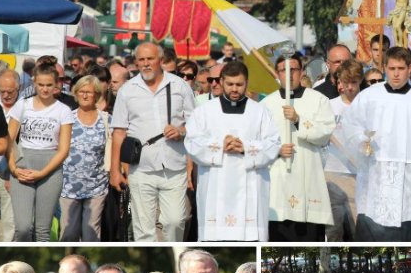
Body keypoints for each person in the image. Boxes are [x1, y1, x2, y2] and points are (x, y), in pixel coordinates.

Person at [343, 46, 411, 241]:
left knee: (410, 226)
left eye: (401, 68)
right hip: (377, 171)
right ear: (384, 68)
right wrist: (362, 140)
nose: (396, 73)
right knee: (375, 222)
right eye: (392, 69)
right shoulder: (369, 95)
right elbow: (351, 125)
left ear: (410, 69)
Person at [185, 60, 280, 241]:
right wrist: (220, 145)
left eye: (239, 84)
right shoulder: (204, 111)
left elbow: (274, 143)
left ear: (247, 83)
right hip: (215, 183)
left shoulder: (260, 112)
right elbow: (192, 142)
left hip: (251, 184)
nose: (234, 89)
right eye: (230, 84)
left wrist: (246, 148)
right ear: (221, 82)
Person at [110, 42, 196, 241]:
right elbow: (119, 132)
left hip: (174, 166)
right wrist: (115, 171)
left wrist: (182, 131)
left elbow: (197, 123)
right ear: (136, 62)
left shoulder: (179, 85)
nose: (146, 64)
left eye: (150, 59)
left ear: (160, 60)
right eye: (141, 60)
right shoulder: (127, 90)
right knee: (144, 229)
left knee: (175, 221)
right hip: (140, 168)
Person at [263, 53, 335, 241]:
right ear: (277, 74)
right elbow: (258, 143)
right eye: (283, 70)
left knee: (311, 238)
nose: (289, 74)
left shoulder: (318, 100)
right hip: (278, 179)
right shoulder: (266, 105)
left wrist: (298, 120)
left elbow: (325, 134)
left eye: (293, 69)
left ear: (301, 72)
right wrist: (276, 151)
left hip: (308, 177)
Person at [6, 59, 73, 241]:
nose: (44, 89)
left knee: (43, 230)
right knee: (23, 227)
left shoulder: (63, 110)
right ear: (34, 83)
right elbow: (8, 140)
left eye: (49, 85)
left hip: (50, 168)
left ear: (56, 85)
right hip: (22, 164)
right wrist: (13, 169)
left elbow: (64, 149)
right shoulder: (23, 105)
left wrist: (42, 172)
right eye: (41, 84)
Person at [57, 75, 109, 241]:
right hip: (68, 185)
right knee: (68, 232)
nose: (85, 95)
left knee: (91, 234)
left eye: (89, 92)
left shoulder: (106, 119)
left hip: (97, 186)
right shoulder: (66, 118)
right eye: (81, 92)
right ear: (75, 93)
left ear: (97, 94)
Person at [325, 59, 363, 241]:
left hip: (358, 174)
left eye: (354, 82)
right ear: (339, 82)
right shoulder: (329, 106)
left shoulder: (367, 106)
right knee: (333, 229)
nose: (350, 87)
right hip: (331, 174)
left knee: (358, 227)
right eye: (346, 82)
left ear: (360, 81)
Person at [0, 70, 20, 242]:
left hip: (12, 170)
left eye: (11, 91)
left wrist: (13, 171)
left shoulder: (24, 106)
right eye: (2, 91)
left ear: (19, 88)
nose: (6, 95)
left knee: (11, 221)